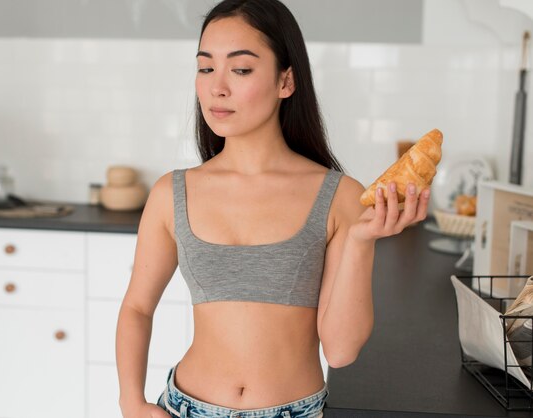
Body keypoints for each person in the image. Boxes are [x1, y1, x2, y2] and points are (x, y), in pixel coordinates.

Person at [115, 0, 430, 417]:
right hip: (184, 408)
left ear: (286, 81)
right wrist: (130, 402)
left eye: (241, 69)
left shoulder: (338, 197)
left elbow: (340, 351)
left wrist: (360, 241)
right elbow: (137, 307)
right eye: (206, 68)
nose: (217, 87)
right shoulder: (171, 192)